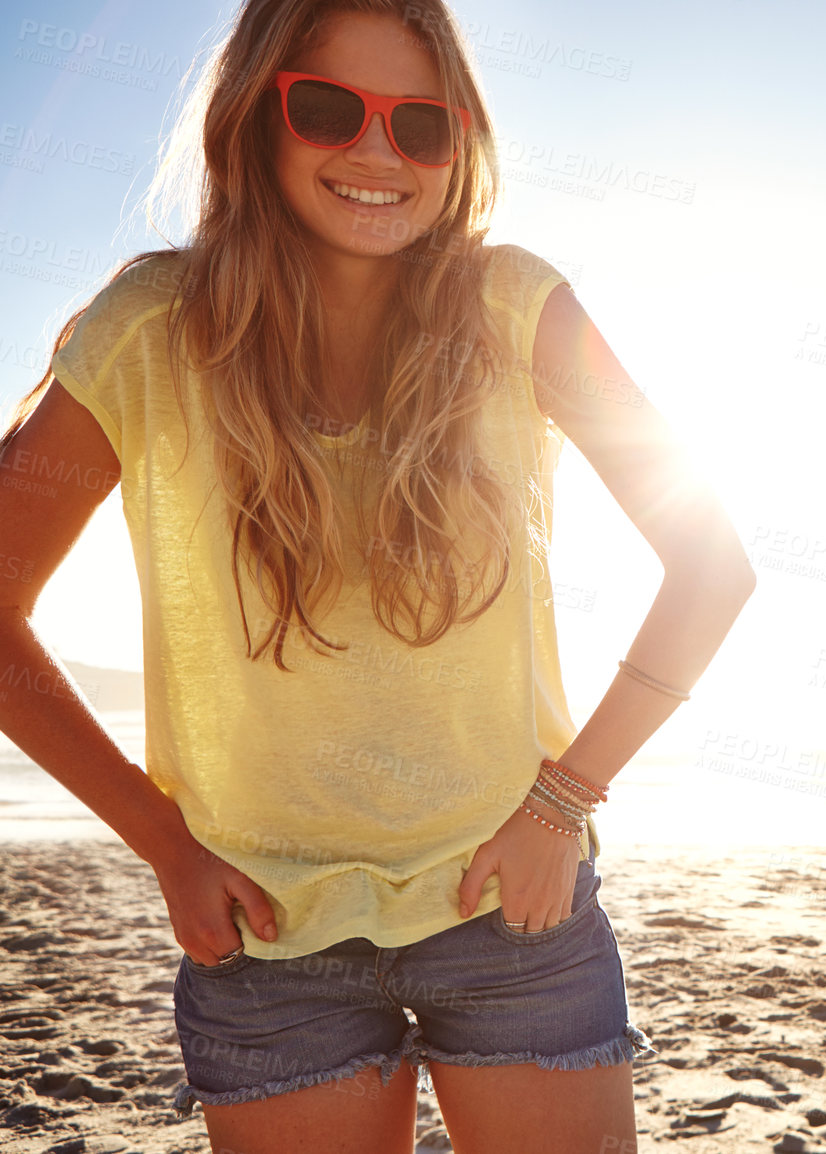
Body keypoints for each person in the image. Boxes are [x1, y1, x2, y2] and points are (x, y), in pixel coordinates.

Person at [0, 0, 755, 1149]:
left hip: (512, 913)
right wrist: (163, 842)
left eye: (422, 126)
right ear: (258, 121)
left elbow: (711, 562)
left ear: (463, 148)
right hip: (263, 942)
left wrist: (565, 799)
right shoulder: (148, 330)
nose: (375, 154)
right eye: (328, 110)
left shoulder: (519, 308)